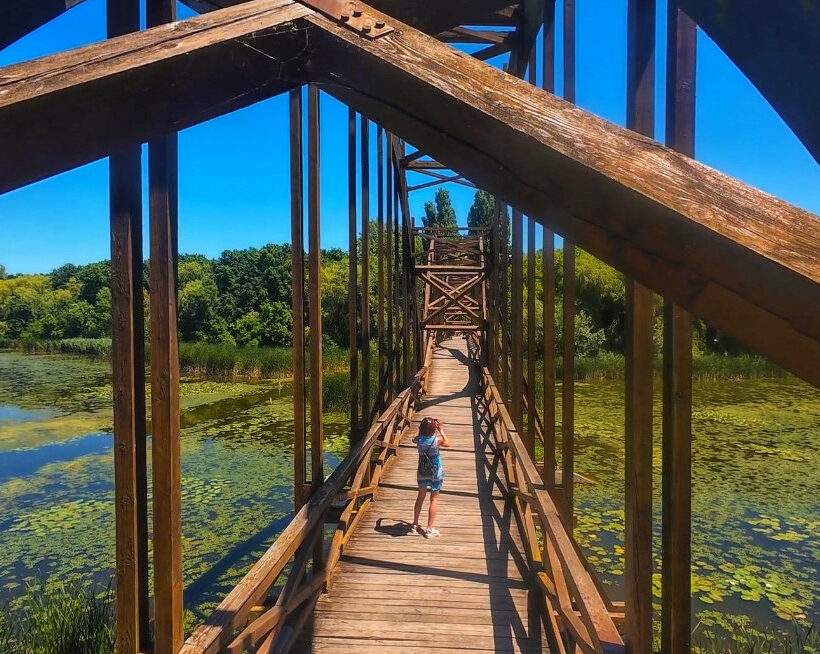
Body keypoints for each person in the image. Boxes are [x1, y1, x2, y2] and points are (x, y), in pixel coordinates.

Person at [411, 416, 450, 538]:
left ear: (421, 429)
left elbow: (413, 438)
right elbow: (448, 443)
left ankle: (415, 524)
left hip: (422, 471)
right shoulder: (435, 441)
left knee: (420, 497)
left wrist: (420, 429)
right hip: (435, 472)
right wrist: (441, 429)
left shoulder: (419, 440)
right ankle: (429, 529)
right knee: (434, 499)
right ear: (434, 430)